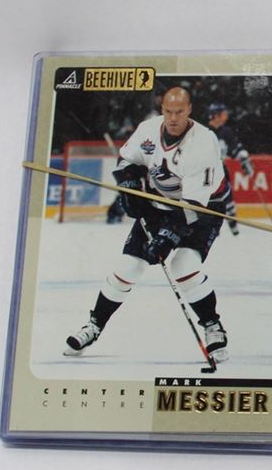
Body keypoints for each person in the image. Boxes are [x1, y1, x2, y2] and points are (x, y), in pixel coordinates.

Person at [63, 86, 231, 361]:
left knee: (183, 265)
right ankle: (94, 325)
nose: (173, 118)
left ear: (189, 110)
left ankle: (213, 326)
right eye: (168, 111)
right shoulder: (148, 129)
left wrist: (168, 236)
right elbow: (126, 161)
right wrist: (129, 187)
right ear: (161, 108)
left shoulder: (202, 143)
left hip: (203, 208)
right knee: (128, 267)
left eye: (179, 112)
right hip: (158, 203)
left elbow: (192, 207)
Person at [206, 101, 254, 236]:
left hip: (220, 170)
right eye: (223, 114)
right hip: (204, 172)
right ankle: (209, 227)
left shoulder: (226, 132)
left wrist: (244, 160)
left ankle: (234, 229)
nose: (226, 116)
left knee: (227, 199)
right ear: (216, 115)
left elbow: (235, 148)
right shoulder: (203, 132)